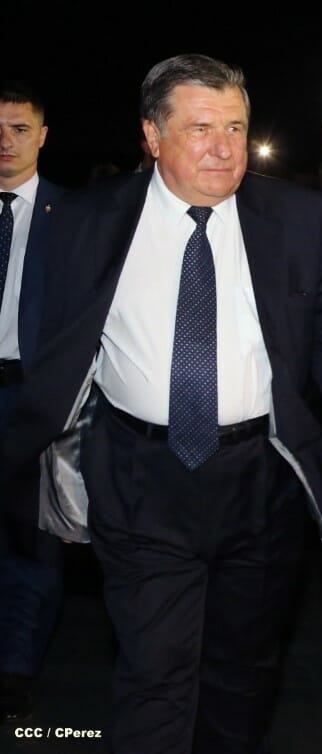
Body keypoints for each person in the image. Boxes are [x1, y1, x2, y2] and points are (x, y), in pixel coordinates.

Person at [0, 54, 322, 753]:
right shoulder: (87, 220)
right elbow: (55, 345)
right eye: (201, 127)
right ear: (151, 134)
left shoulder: (297, 221)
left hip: (261, 480)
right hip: (139, 480)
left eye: (235, 126)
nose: (224, 147)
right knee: (156, 673)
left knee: (242, 676)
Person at [0, 80, 65, 725]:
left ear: (42, 137)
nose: (5, 141)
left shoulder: (69, 218)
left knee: (30, 543)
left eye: (19, 128)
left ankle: (16, 670)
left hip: (28, 400)